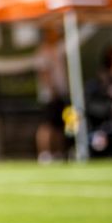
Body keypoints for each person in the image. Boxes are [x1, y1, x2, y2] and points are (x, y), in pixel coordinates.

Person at [34, 22, 70, 163]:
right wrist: (52, 89)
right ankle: (45, 153)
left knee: (59, 124)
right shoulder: (43, 51)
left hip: (60, 92)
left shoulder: (57, 50)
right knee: (48, 124)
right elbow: (44, 73)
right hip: (50, 95)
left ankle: (58, 152)